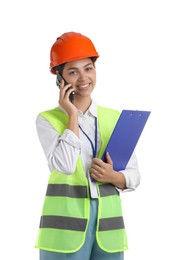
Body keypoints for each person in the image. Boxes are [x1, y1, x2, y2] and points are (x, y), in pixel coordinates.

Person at [35, 32, 140, 260]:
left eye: (88, 68)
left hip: (108, 230)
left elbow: (134, 175)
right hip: (64, 231)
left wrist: (114, 177)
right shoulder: (48, 120)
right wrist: (72, 114)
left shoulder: (115, 118)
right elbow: (63, 165)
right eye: (73, 71)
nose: (83, 77)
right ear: (59, 78)